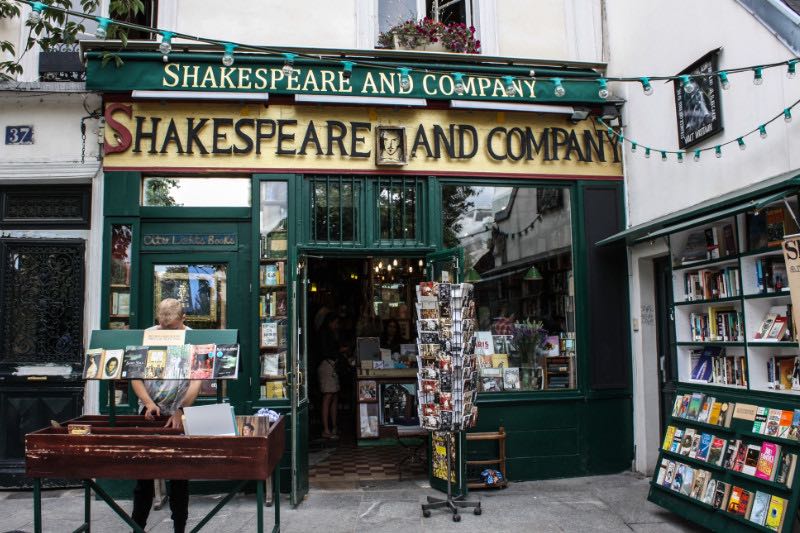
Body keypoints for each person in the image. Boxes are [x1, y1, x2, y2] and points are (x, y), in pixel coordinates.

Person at [130, 298, 200, 533]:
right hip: (150, 411)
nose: (166, 332)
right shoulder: (148, 335)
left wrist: (181, 410)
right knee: (144, 477)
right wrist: (148, 403)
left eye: (171, 329)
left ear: (183, 320)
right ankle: (137, 527)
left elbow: (196, 382)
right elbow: (135, 375)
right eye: (162, 327)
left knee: (179, 477)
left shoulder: (193, 339)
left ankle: (179, 528)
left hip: (179, 412)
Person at [317, 313, 348, 439]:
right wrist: (340, 351)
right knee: (329, 395)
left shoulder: (330, 333)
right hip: (327, 365)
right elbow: (326, 351)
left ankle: (333, 427)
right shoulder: (325, 334)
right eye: (335, 322)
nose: (337, 325)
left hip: (331, 365)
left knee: (333, 395)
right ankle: (326, 429)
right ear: (330, 322)